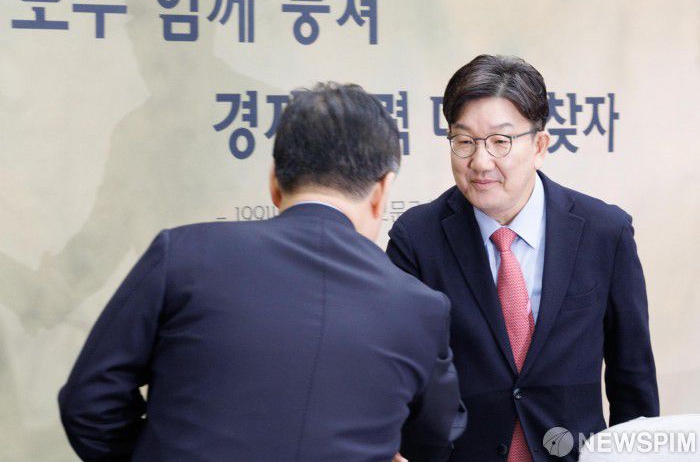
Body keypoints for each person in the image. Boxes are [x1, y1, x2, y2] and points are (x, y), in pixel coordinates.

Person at [58, 82, 466, 462]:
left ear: (274, 180)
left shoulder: (182, 255)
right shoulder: (420, 308)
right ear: (382, 191)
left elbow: (89, 403)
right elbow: (434, 437)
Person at [387, 55, 659, 462]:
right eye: (464, 141)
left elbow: (632, 377)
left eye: (500, 141)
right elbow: (397, 374)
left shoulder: (605, 232)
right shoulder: (416, 238)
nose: (480, 162)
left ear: (540, 146)